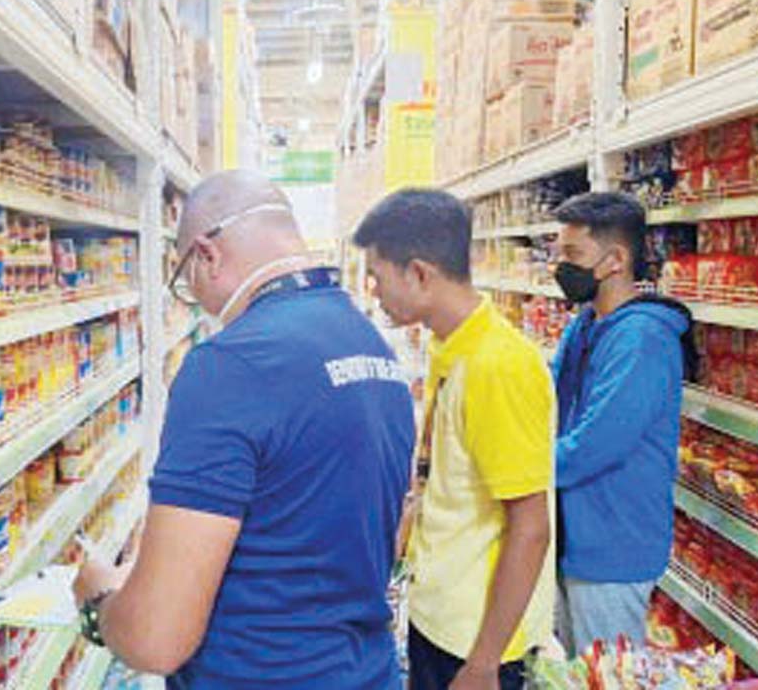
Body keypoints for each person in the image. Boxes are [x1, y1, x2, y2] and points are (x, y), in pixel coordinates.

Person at [72, 170, 415, 689]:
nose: (197, 302)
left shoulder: (231, 365)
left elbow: (155, 639)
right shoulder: (373, 347)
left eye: (186, 281)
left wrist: (99, 597)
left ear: (206, 255)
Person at [353, 189, 555, 690]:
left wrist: (484, 663)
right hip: (442, 617)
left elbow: (530, 527)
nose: (374, 292)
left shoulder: (499, 366)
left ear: (419, 273)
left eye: (377, 276)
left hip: (477, 643)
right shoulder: (452, 345)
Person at [550, 192, 694, 655]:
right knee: (570, 676)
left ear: (615, 260)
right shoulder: (587, 323)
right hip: (576, 539)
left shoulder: (643, 338)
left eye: (573, 254)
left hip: (614, 547)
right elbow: (548, 398)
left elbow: (596, 445)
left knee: (604, 675)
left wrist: (513, 466)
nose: (560, 266)